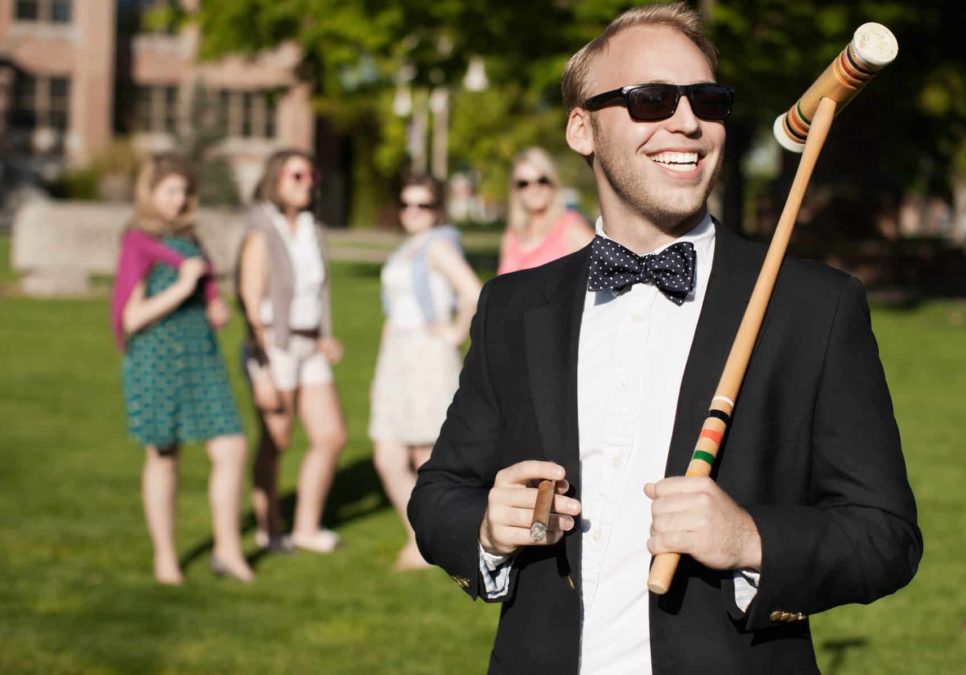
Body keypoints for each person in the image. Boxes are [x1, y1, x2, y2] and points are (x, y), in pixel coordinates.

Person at [408, 4, 922, 673]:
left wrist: (751, 539)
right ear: (582, 128)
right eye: (650, 100)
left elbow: (885, 536)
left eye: (708, 101)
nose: (687, 122)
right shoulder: (514, 306)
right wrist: (485, 525)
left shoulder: (813, 307)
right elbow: (438, 493)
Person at [112, 154, 254, 585]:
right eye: (170, 190)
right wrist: (181, 288)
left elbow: (203, 290)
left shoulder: (190, 239)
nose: (178, 200)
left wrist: (212, 305)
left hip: (201, 357)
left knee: (231, 447)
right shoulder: (138, 241)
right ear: (150, 192)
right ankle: (166, 558)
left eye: (184, 191)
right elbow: (131, 318)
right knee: (164, 458)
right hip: (157, 360)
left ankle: (228, 550)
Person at [236, 149, 348, 554]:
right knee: (276, 440)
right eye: (296, 175)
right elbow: (249, 301)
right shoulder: (261, 229)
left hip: (308, 345)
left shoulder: (312, 228)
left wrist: (324, 335)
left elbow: (317, 293)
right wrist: (261, 368)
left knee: (331, 436)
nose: (306, 183)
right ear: (275, 180)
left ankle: (306, 527)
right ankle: (270, 527)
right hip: (273, 346)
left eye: (310, 175)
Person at [371, 174, 482, 570]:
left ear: (437, 209)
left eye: (423, 205)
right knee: (386, 453)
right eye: (407, 204)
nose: (413, 212)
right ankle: (423, 537)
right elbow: (393, 311)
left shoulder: (438, 246)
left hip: (426, 354)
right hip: (397, 354)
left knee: (424, 455)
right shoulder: (408, 248)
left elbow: (472, 291)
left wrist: (453, 332)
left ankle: (434, 542)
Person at [497, 147, 594, 275]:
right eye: (523, 183)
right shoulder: (511, 237)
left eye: (542, 180)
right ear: (515, 191)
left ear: (553, 182)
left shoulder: (570, 226)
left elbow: (606, 272)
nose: (534, 188)